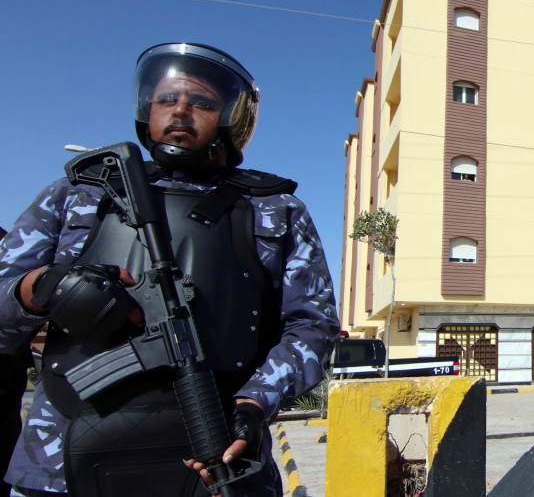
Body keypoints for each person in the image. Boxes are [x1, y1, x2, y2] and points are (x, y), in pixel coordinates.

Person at [0, 43, 340, 496]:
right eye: (166, 99)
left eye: (201, 102)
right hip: (62, 461)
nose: (181, 110)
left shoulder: (275, 210)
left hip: (217, 455)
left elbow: (313, 328)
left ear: (230, 119)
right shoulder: (75, 195)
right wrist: (42, 287)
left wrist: (255, 403)